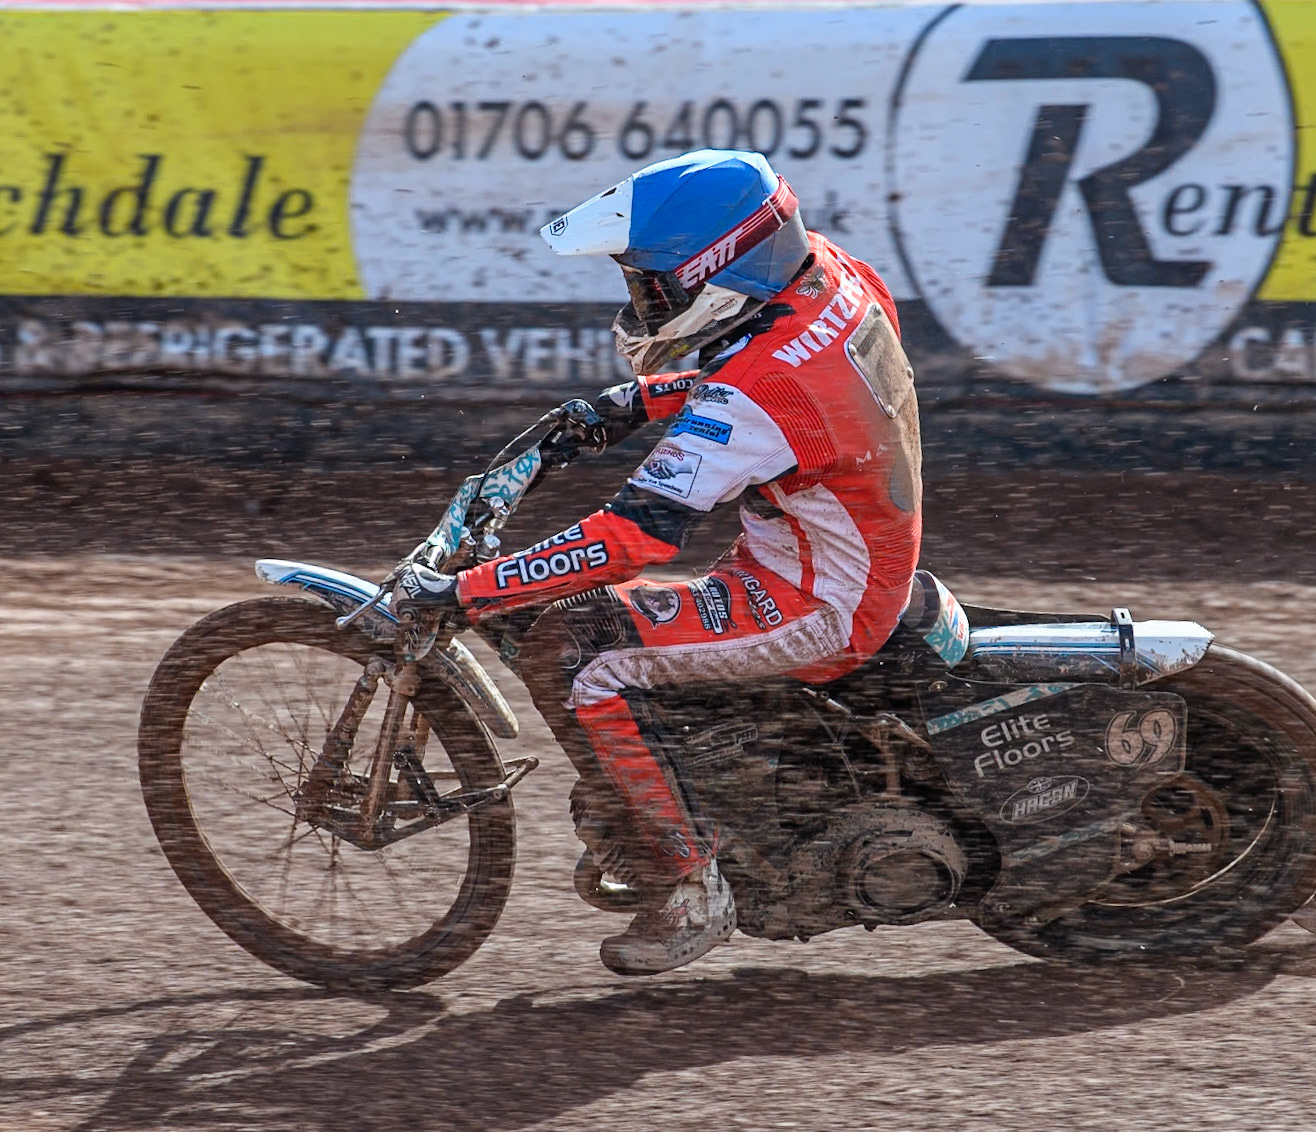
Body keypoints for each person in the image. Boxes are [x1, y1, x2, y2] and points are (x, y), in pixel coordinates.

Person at [392, 149, 923, 976]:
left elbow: (632, 540)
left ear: (715, 272)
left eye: (651, 288)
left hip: (820, 604)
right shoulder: (828, 274)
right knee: (586, 622)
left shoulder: (755, 391)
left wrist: (467, 589)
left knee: (580, 659)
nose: (639, 305)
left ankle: (690, 884)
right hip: (845, 554)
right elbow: (791, 384)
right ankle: (677, 787)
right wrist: (632, 402)